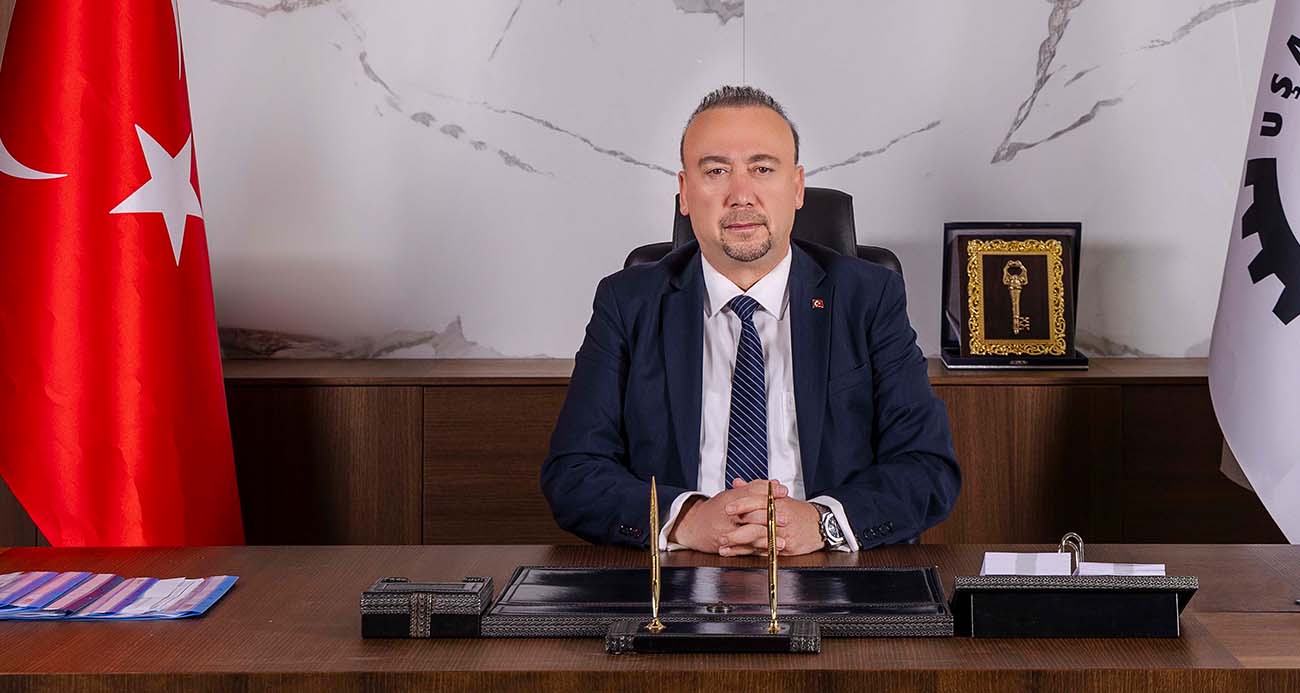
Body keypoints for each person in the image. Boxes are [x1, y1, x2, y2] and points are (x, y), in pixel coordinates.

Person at [541, 85, 959, 555]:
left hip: (830, 568)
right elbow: (573, 472)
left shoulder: (868, 297)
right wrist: (686, 520)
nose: (741, 195)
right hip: (681, 570)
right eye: (716, 171)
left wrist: (820, 523)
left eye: (762, 169)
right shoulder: (627, 302)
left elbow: (927, 467)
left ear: (796, 187)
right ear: (684, 193)